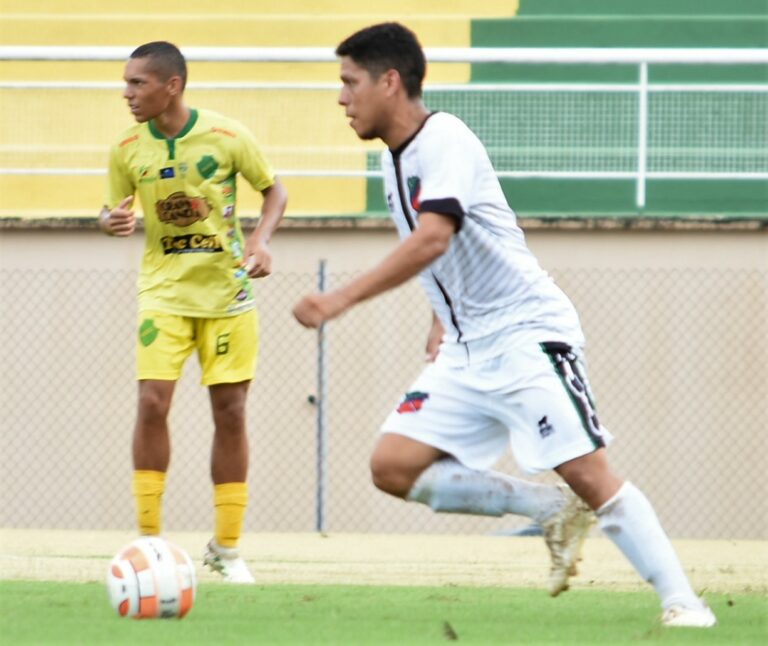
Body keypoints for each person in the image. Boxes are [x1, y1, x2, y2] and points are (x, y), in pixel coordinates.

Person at [292, 23, 716, 627]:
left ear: (389, 81)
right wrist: (441, 319)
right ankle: (549, 509)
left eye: (349, 82)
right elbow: (442, 249)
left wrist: (339, 300)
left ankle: (685, 604)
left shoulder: (446, 139)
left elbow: (436, 236)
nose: (341, 98)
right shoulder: (395, 161)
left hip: (526, 333)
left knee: (588, 471)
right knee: (392, 465)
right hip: (467, 348)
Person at [99, 41, 287, 583]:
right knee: (152, 402)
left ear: (171, 86)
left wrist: (261, 240)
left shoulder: (227, 137)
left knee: (230, 413)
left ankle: (226, 550)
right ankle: (149, 544)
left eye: (138, 83)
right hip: (163, 295)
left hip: (227, 296)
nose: (127, 93)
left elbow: (275, 191)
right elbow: (111, 209)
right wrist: (106, 222)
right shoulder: (127, 148)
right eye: (127, 83)